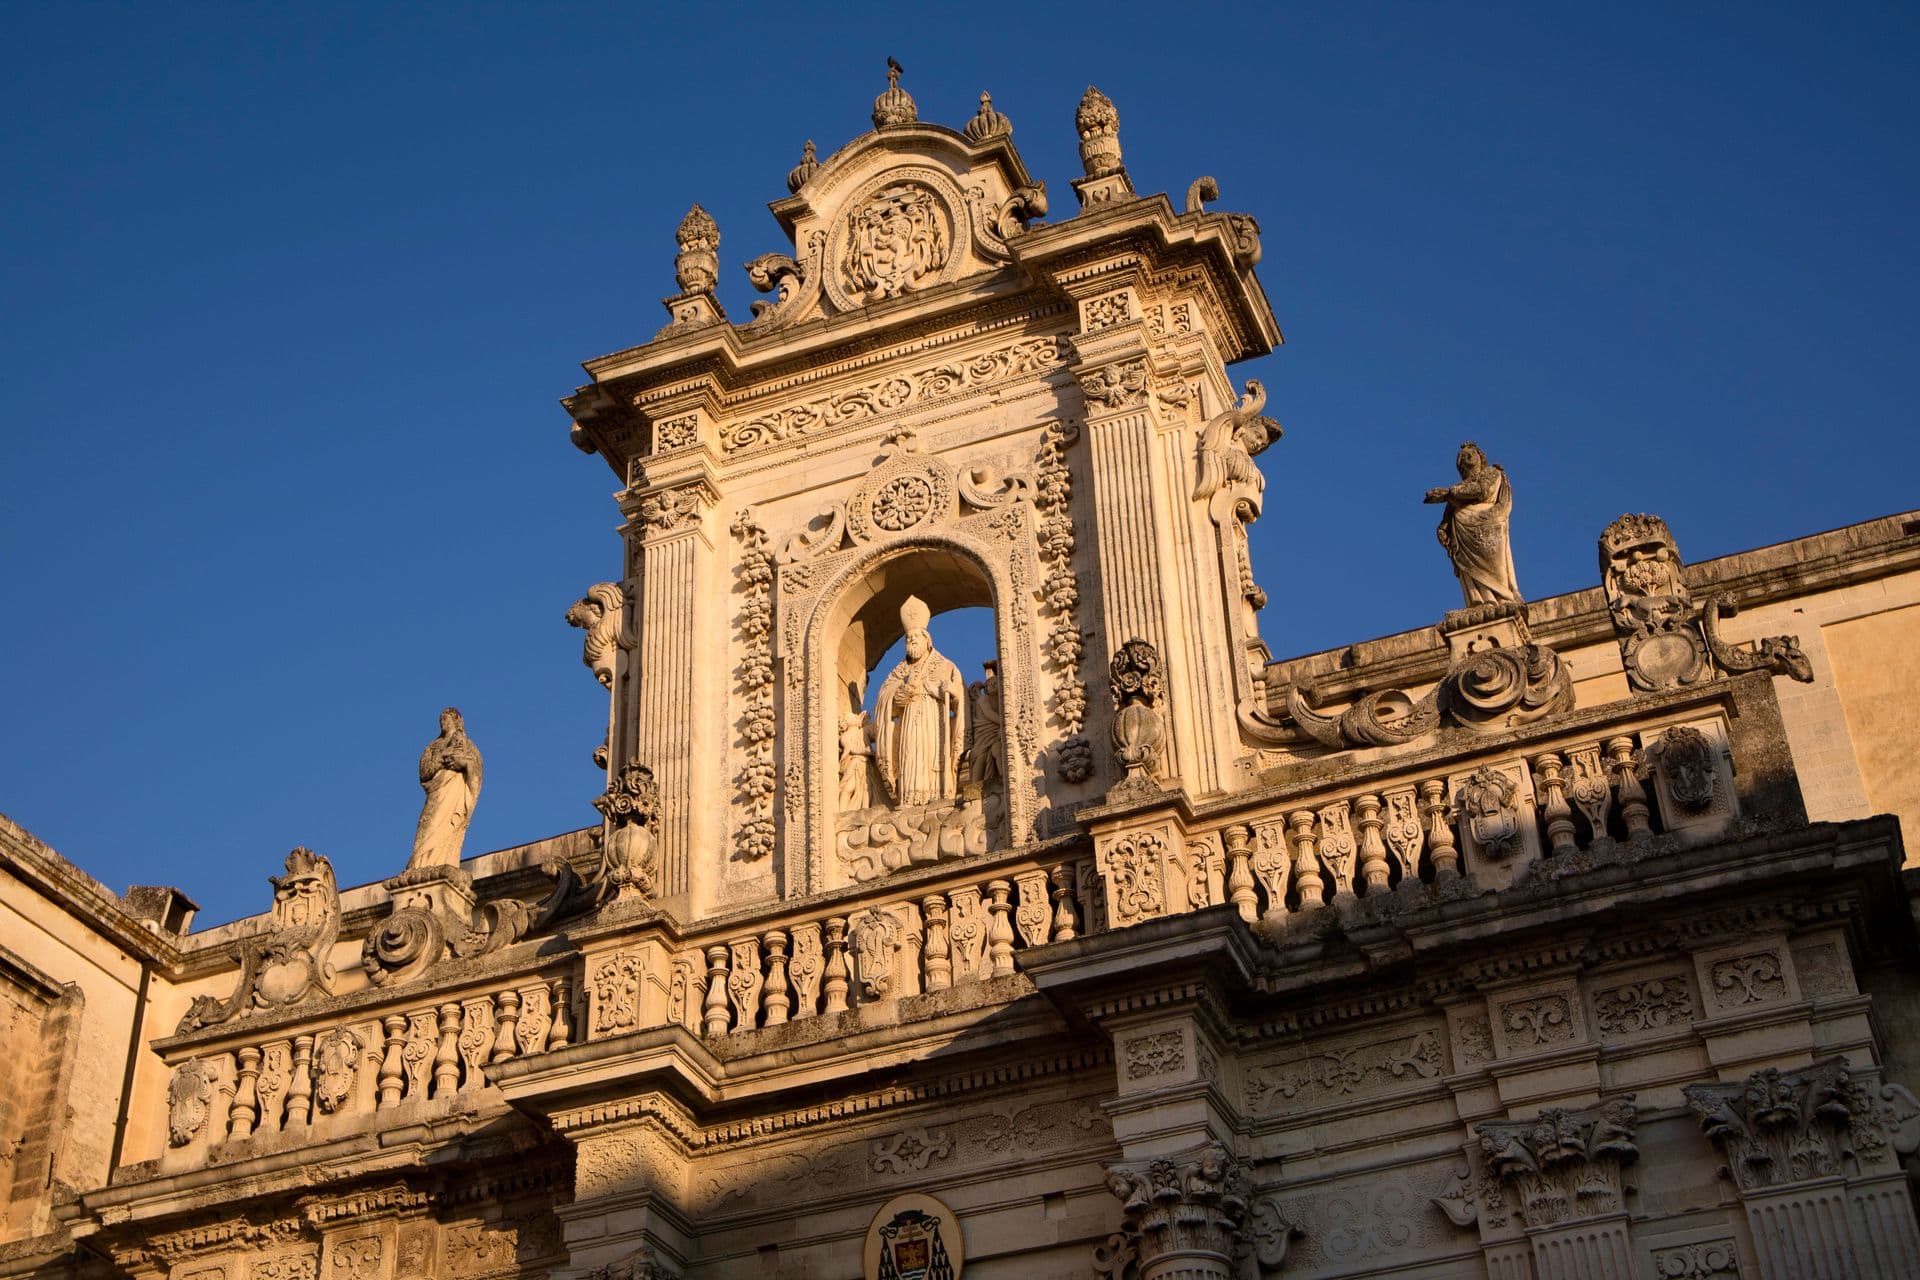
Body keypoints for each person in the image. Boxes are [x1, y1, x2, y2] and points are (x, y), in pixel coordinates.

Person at [871, 596, 967, 808]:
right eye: (908, 638)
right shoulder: (898, 673)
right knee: (910, 758)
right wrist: (904, 689)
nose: (911, 640)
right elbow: (885, 703)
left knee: (930, 759)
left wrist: (953, 693)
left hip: (933, 725)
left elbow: (960, 700)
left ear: (927, 640)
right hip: (908, 727)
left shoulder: (945, 666)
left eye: (916, 637)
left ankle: (939, 797)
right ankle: (907, 799)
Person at [1424, 442, 1521, 608]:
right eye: (1461, 457)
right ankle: (1479, 601)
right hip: (1462, 534)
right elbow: (1447, 517)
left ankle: (1502, 598)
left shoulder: (1491, 472)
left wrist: (1448, 493)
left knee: (1494, 568)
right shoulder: (1459, 487)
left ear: (1480, 457)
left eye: (1470, 454)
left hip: (1488, 525)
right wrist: (1442, 529)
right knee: (1470, 570)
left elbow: (1482, 490)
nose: (1466, 458)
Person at [407, 708, 483, 870]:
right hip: (436, 793)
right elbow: (424, 771)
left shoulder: (467, 745)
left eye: (446, 719)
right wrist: (442, 757)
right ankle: (420, 864)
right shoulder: (433, 746)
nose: (443, 722)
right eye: (441, 719)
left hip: (454, 793)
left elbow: (476, 769)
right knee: (427, 827)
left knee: (447, 829)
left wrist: (463, 764)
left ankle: (440, 863)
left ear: (456, 721)